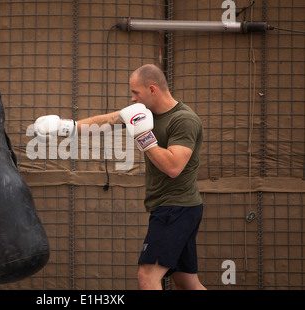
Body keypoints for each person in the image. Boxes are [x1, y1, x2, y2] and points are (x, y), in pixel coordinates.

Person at [33, 64, 206, 290]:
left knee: (147, 276)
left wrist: (144, 136)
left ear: (152, 89)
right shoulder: (144, 113)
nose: (132, 98)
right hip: (175, 207)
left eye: (136, 93)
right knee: (186, 282)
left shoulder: (184, 120)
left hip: (176, 207)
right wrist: (66, 127)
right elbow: (107, 121)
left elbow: (174, 167)